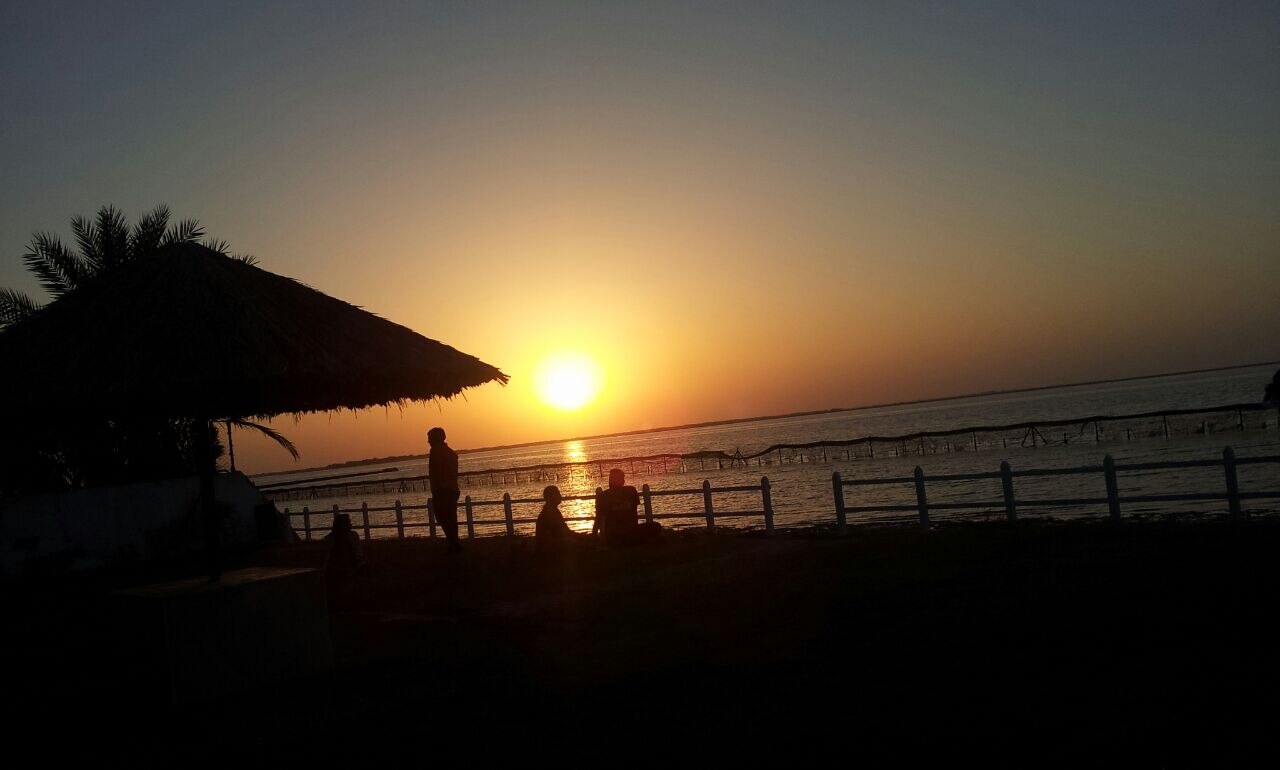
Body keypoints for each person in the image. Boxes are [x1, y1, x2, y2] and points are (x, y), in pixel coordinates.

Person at [594, 468, 661, 546]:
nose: (612, 481)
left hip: (629, 530)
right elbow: (598, 518)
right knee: (623, 536)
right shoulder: (604, 496)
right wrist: (595, 537)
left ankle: (635, 542)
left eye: (617, 478)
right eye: (611, 478)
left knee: (656, 526)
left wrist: (634, 528)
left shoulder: (630, 491)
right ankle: (639, 542)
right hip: (614, 533)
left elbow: (634, 514)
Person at [428, 426, 463, 554]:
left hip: (443, 490)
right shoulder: (450, 452)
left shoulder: (436, 452)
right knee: (450, 517)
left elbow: (437, 472)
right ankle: (454, 543)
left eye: (430, 438)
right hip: (451, 489)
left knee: (443, 517)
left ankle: (454, 543)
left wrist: (438, 487)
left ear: (436, 439)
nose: (428, 441)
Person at [323, 512, 367, 577]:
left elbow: (359, 554)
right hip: (339, 566)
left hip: (348, 565)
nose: (351, 524)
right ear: (343, 525)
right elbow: (359, 553)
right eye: (348, 522)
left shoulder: (329, 538)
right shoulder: (352, 535)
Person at [536, 485, 576, 553]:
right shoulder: (548, 514)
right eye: (557, 493)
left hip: (555, 545)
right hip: (551, 550)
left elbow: (565, 531)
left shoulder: (554, 511)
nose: (560, 495)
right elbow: (558, 535)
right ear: (550, 497)